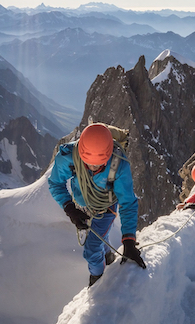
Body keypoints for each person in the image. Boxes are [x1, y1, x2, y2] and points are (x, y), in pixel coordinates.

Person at [49, 123, 145, 287]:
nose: (93, 167)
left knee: (91, 249)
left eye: (98, 164)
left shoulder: (119, 163)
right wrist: (70, 208)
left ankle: (97, 282)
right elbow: (55, 184)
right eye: (88, 163)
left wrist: (129, 239)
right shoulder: (68, 156)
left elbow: (127, 202)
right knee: (102, 237)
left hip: (105, 207)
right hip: (82, 205)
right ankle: (108, 257)